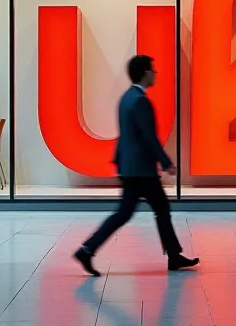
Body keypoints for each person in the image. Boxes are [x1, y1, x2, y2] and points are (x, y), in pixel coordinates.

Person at [74, 55, 198, 277]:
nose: (155, 74)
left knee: (143, 210)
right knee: (147, 210)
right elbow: (148, 137)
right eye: (153, 70)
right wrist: (166, 162)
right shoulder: (140, 101)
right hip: (141, 170)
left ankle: (173, 255)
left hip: (131, 167)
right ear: (146, 73)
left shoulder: (126, 98)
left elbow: (126, 135)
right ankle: (87, 250)